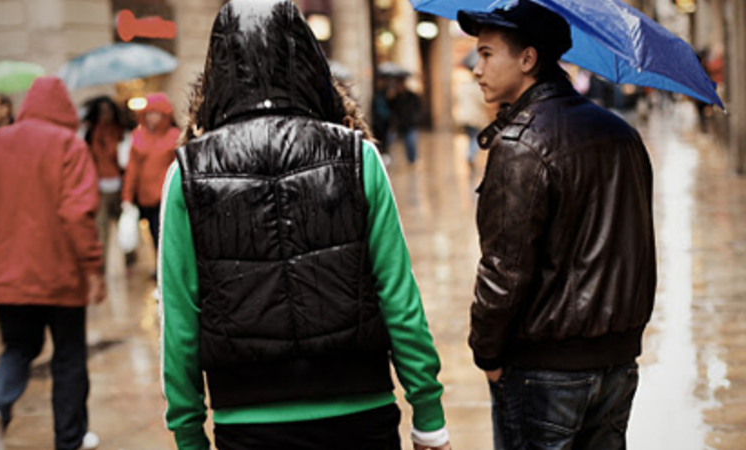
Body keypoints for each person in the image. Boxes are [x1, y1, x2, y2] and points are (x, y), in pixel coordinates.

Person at [160, 1, 451, 450]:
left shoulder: (187, 174)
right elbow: (399, 296)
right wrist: (428, 415)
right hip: (361, 414)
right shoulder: (357, 156)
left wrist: (187, 433)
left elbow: (179, 320)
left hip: (249, 423)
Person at [457, 1, 656, 449]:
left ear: (528, 59)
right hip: (618, 362)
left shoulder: (522, 142)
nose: (476, 68)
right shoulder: (622, 134)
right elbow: (638, 248)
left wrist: (487, 353)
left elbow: (503, 270)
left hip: (544, 370)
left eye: (487, 54)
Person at [0, 76, 105, 450]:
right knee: (68, 357)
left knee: (18, 347)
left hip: (8, 273)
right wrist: (94, 267)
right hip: (61, 274)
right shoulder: (69, 144)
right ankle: (69, 439)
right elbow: (77, 212)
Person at [121, 92, 179, 263]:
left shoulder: (174, 136)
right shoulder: (138, 136)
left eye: (155, 113)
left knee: (165, 235)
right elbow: (132, 170)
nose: (152, 118)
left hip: (166, 197)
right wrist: (127, 197)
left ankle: (167, 265)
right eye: (148, 114)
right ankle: (158, 265)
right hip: (145, 197)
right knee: (152, 236)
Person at [82, 96, 127, 271]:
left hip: (120, 186)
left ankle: (130, 262)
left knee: (125, 227)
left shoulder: (121, 132)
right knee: (101, 230)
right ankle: (101, 268)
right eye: (102, 112)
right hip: (99, 187)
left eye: (108, 111)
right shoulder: (90, 134)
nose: (105, 115)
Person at [388, 79, 423, 164]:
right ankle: (409, 159)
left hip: (411, 123)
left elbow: (417, 107)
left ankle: (412, 159)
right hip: (402, 125)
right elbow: (392, 108)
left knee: (411, 142)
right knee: (405, 143)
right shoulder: (397, 97)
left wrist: (416, 118)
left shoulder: (412, 96)